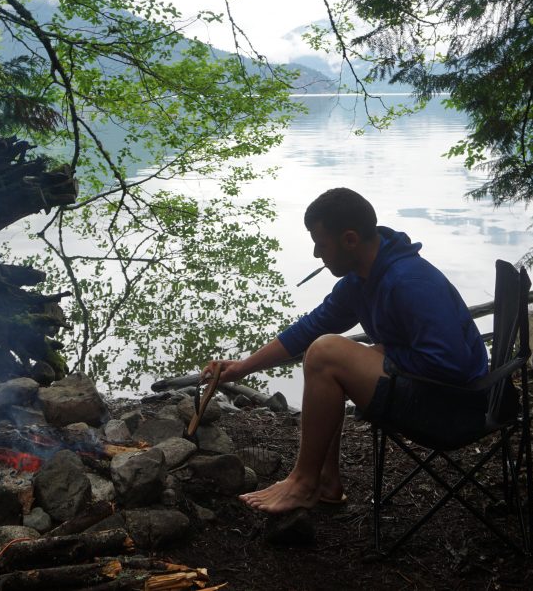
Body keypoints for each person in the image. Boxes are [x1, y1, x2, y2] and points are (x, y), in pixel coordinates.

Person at [204, 187, 489, 514]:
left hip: (454, 410)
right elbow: (309, 328)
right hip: (433, 395)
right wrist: (242, 367)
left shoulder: (409, 281)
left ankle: (304, 483)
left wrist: (385, 353)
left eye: (321, 244)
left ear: (350, 240)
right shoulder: (362, 280)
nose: (315, 254)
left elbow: (452, 365)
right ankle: (326, 482)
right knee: (322, 350)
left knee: (326, 354)